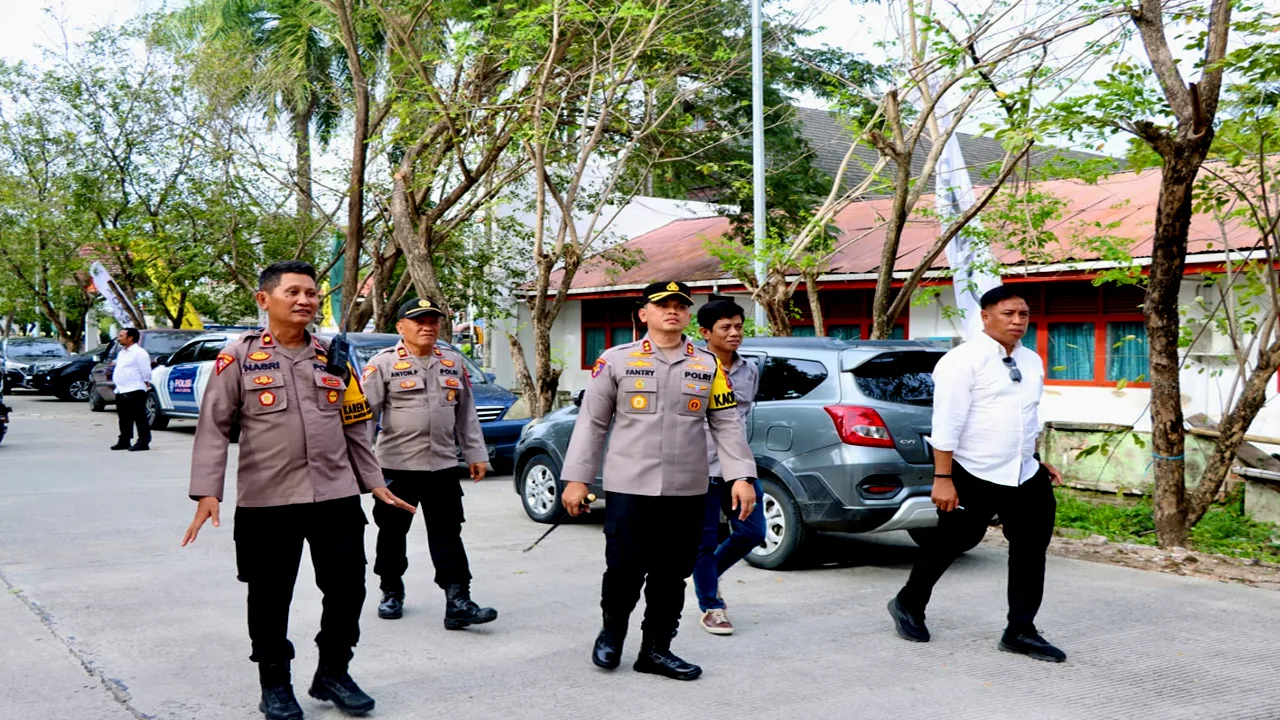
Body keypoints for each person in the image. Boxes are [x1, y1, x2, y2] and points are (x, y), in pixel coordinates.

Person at [180, 260, 415, 720]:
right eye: (293, 292)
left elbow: (355, 425)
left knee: (348, 591)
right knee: (269, 597)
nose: (305, 300)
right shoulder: (239, 357)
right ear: (264, 300)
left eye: (311, 293)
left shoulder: (335, 355)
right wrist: (208, 491)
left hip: (335, 497)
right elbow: (213, 428)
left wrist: (374, 482)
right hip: (267, 501)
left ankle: (333, 672)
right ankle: (275, 684)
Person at [560, 280, 757, 681]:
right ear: (643, 313)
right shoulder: (615, 361)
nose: (673, 311)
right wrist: (577, 479)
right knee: (624, 570)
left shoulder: (708, 366)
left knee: (672, 575)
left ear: (688, 315)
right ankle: (612, 634)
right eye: (662, 305)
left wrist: (741, 476)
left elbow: (726, 425)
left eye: (680, 306)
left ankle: (657, 649)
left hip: (687, 489)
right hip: (630, 487)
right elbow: (592, 423)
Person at [887, 285, 1067, 663]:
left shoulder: (1031, 360)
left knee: (1031, 552)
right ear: (985, 316)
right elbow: (947, 422)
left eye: (1023, 315)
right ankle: (908, 602)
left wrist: (1035, 457)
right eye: (1008, 314)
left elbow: (1028, 415)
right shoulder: (962, 360)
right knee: (953, 542)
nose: (1018, 322)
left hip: (1024, 472)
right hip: (972, 471)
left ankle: (1021, 630)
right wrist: (943, 477)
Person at [362, 297, 497, 629]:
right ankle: (391, 589)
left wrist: (476, 453)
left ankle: (458, 600)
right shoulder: (383, 363)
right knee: (392, 533)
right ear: (400, 327)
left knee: (448, 533)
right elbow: (366, 417)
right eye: (419, 321)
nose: (427, 326)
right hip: (396, 466)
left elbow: (466, 414)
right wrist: (362, 468)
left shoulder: (451, 361)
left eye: (433, 321)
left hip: (442, 467)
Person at [691, 299, 764, 635]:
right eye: (726, 327)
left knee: (753, 532)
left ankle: (706, 574)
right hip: (697, 468)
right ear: (705, 333)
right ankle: (712, 606)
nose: (735, 333)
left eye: (739, 326)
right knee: (703, 542)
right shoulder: (690, 367)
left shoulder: (749, 370)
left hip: (737, 466)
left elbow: (740, 420)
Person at [110, 328, 152, 451]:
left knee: (139, 417)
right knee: (124, 418)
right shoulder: (122, 352)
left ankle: (143, 441)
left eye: (121, 336)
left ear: (130, 338)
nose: (119, 338)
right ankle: (124, 440)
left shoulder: (139, 352)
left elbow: (146, 370)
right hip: (121, 389)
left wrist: (146, 382)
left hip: (134, 389)